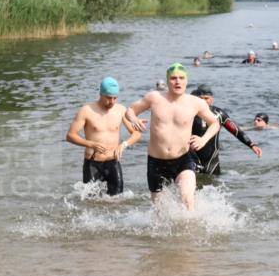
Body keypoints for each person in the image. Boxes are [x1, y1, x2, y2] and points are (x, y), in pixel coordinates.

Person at [125, 63, 220, 211]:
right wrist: (133, 119)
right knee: (160, 210)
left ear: (186, 81)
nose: (177, 82)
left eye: (181, 78)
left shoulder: (196, 103)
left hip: (183, 160)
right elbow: (130, 110)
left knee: (187, 200)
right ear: (167, 80)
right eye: (173, 78)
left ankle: (191, 226)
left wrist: (203, 139)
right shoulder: (154, 98)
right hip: (156, 162)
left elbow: (214, 123)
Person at [65, 77, 142, 196]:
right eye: (109, 98)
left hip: (113, 163)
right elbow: (70, 135)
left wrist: (124, 144)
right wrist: (90, 144)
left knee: (118, 200)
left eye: (115, 98)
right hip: (93, 164)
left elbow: (136, 134)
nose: (112, 101)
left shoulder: (121, 110)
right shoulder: (86, 111)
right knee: (91, 201)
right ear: (100, 94)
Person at [189, 84, 262, 175]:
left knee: (214, 182)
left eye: (206, 98)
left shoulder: (219, 114)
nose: (203, 101)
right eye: (201, 98)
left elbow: (236, 130)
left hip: (212, 164)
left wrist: (251, 145)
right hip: (192, 161)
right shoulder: (189, 114)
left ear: (212, 99)